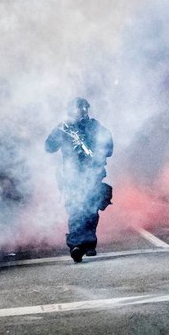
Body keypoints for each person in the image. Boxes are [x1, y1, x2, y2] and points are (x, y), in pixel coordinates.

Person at [45, 97, 114, 263]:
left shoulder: (95, 126)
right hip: (71, 176)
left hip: (92, 174)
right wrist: (58, 132)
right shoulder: (64, 128)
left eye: (84, 109)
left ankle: (89, 244)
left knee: (91, 209)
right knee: (76, 208)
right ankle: (76, 244)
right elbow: (49, 147)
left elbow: (109, 148)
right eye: (79, 109)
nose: (82, 112)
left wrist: (98, 151)